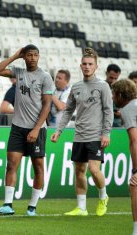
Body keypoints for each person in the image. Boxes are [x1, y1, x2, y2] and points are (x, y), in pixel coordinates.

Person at [0, 44, 54, 216]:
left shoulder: (45, 77)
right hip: (18, 128)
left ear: (39, 57)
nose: (33, 58)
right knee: (11, 165)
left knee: (38, 167)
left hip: (37, 129)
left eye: (35, 55)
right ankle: (7, 205)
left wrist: (35, 129)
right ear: (24, 57)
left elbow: (47, 104)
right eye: (29, 55)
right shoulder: (18, 73)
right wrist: (14, 56)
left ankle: (32, 206)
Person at [50, 48, 113, 217]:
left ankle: (103, 196)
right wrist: (59, 131)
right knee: (79, 171)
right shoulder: (76, 87)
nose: (87, 67)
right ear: (80, 66)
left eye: (90, 64)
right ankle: (82, 208)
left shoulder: (103, 86)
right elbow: (68, 110)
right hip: (79, 136)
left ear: (96, 66)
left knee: (94, 169)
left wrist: (106, 132)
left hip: (96, 135)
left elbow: (109, 110)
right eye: (84, 64)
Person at [112, 79, 137, 235]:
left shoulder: (128, 109)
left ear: (121, 94)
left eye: (114, 95)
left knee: (135, 186)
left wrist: (136, 170)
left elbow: (135, 140)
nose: (113, 99)